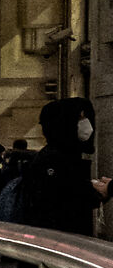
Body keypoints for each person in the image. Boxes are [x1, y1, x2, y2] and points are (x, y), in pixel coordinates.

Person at [16, 98, 107, 235]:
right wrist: (101, 190)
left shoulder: (62, 155)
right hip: (59, 240)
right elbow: (69, 199)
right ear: (65, 124)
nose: (86, 123)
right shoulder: (54, 159)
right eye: (80, 118)